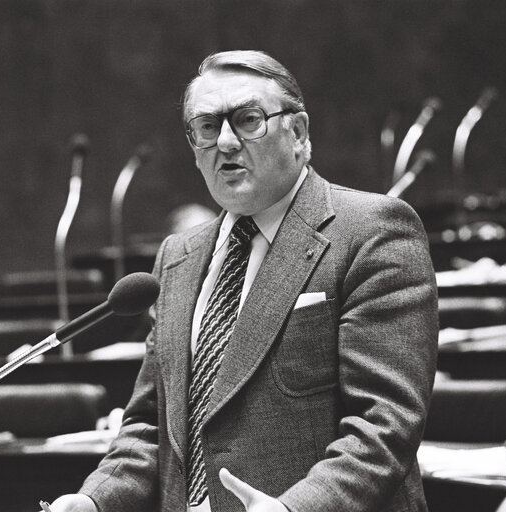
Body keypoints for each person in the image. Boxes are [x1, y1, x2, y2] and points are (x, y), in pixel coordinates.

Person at [49, 50, 438, 512]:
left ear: (298, 132)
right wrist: (93, 501)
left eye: (248, 120)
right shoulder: (179, 256)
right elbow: (152, 424)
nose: (226, 142)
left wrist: (296, 508)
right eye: (208, 127)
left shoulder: (372, 230)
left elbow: (383, 423)